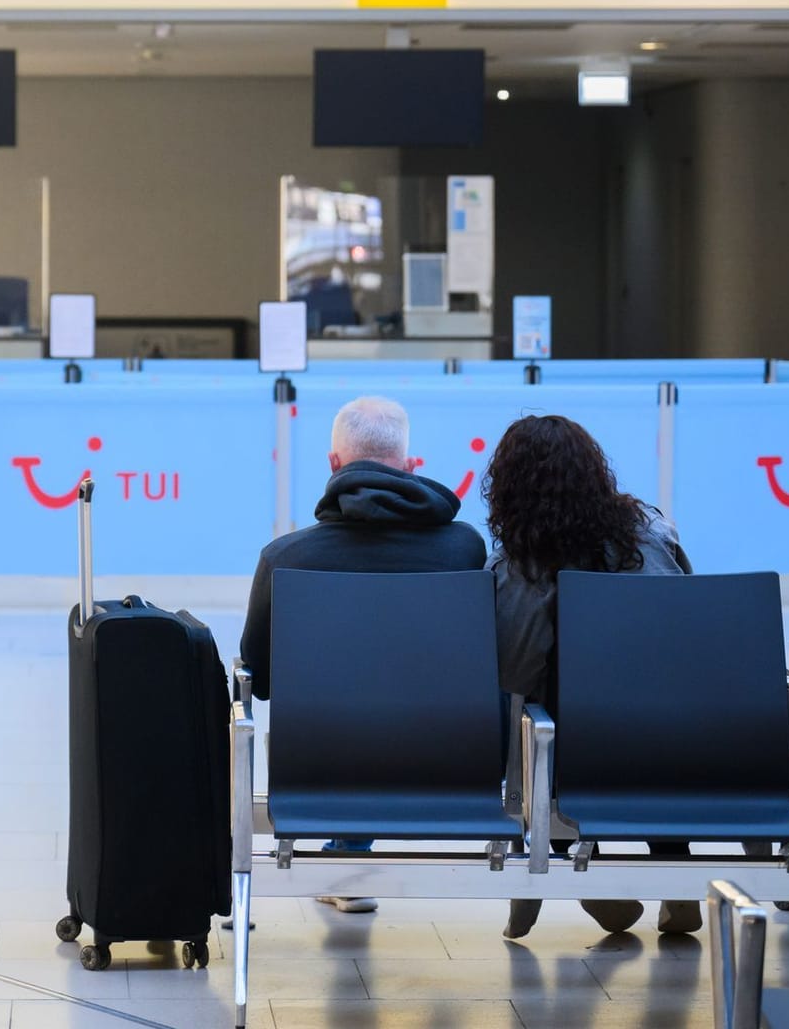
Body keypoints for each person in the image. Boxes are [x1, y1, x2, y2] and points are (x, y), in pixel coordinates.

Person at [239, 396, 488, 914]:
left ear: (334, 464)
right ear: (411, 466)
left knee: (354, 714)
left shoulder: (286, 559)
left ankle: (347, 857)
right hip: (450, 762)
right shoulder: (464, 550)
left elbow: (258, 678)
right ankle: (349, 858)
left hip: (319, 764)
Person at [479, 414, 701, 939]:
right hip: (666, 735)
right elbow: (689, 622)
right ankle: (678, 880)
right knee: (650, 752)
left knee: (534, 735)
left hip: (570, 750)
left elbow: (513, 669)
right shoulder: (652, 536)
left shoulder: (517, 566)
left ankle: (595, 884)